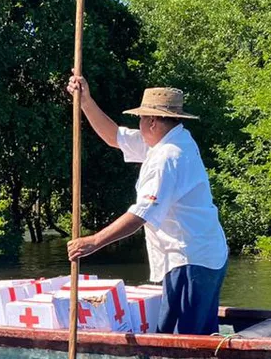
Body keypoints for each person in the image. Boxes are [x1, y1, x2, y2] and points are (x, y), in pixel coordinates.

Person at [65, 76, 229, 335]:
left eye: (141, 118)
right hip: (203, 255)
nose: (138, 124)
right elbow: (114, 137)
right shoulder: (172, 141)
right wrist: (85, 101)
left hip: (190, 259)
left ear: (151, 121)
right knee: (195, 333)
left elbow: (142, 213)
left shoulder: (167, 156)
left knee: (181, 339)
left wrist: (94, 241)